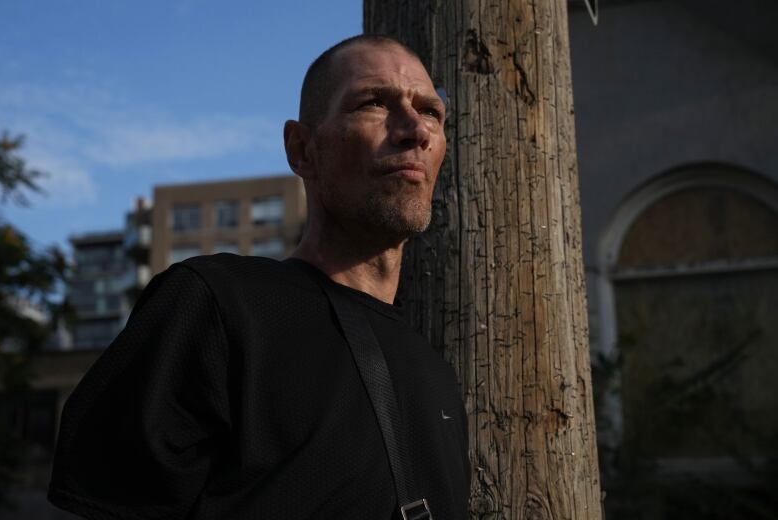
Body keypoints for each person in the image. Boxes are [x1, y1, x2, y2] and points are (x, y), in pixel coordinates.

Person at [48, 34, 470, 519]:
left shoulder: (435, 370)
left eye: (431, 112)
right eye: (374, 102)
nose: (415, 130)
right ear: (302, 149)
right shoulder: (216, 307)